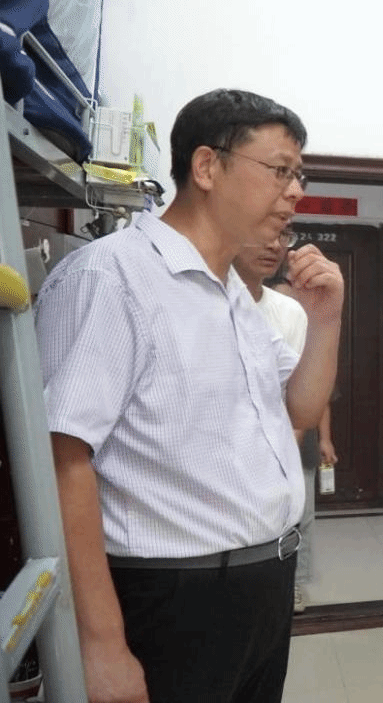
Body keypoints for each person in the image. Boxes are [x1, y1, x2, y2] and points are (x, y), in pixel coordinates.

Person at [35, 88, 343, 703]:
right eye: (280, 170)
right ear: (206, 166)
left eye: (298, 175)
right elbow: (62, 461)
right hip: (173, 597)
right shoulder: (111, 278)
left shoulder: (231, 292)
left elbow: (300, 409)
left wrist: (326, 317)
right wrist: (101, 644)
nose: (295, 192)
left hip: (261, 587)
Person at [236, 242, 338, 614]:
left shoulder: (307, 334)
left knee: (302, 517)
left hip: (298, 446)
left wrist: (324, 438)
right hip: (260, 448)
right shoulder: (246, 322)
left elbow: (316, 399)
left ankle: (295, 584)